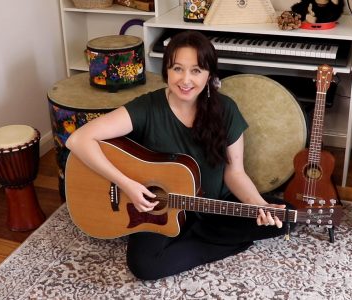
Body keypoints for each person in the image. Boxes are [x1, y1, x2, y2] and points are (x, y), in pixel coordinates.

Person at [66, 30, 294, 280]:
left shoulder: (226, 109)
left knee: (285, 216)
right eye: (177, 68)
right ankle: (219, 236)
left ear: (209, 75)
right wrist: (127, 184)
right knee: (144, 266)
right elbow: (78, 139)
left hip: (213, 203)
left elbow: (235, 173)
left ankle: (200, 232)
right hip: (160, 208)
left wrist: (259, 207)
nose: (185, 80)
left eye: (196, 70)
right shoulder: (148, 107)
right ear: (167, 70)